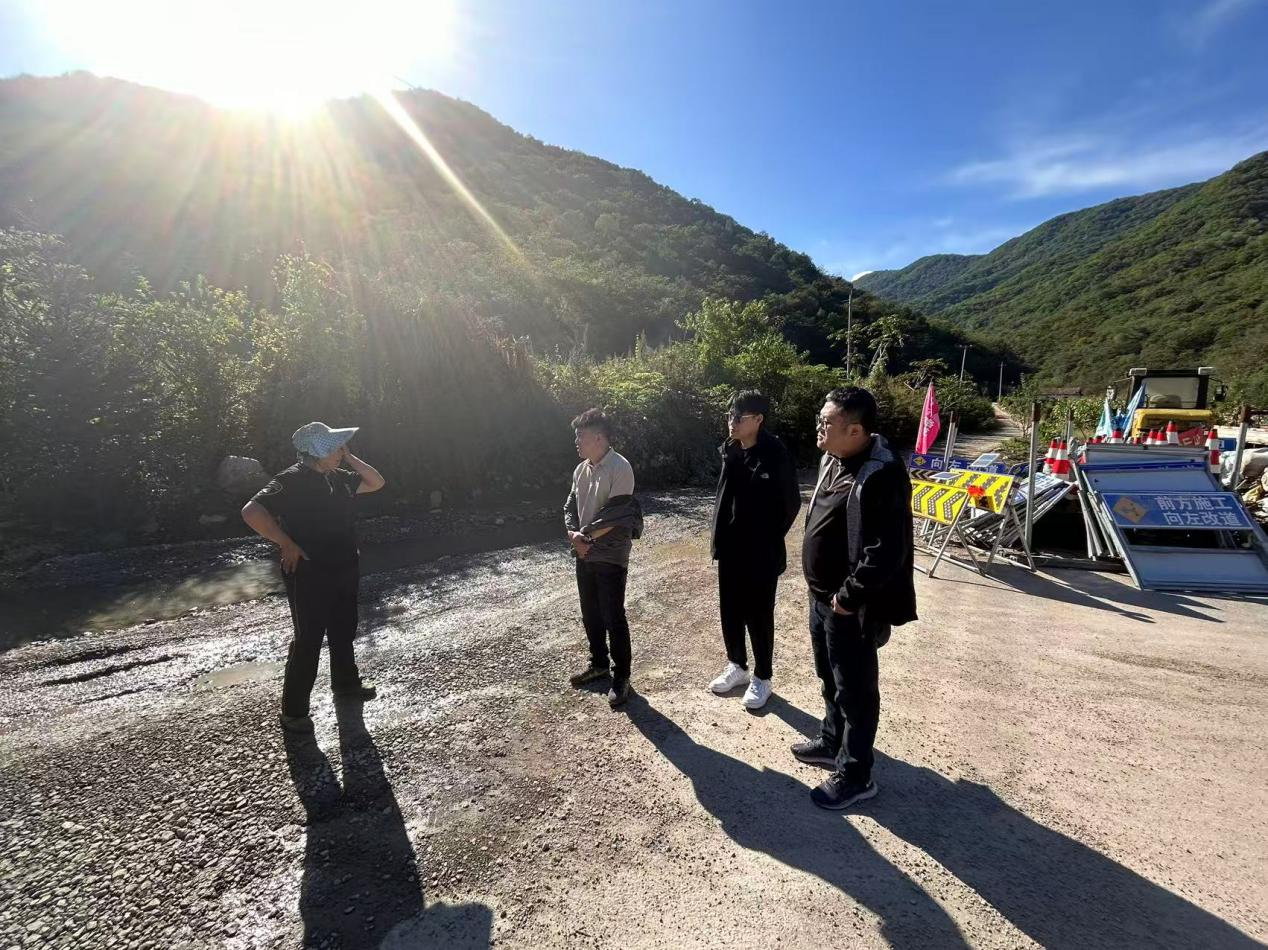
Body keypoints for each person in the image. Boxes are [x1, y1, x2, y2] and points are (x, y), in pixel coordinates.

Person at [793, 387, 916, 809]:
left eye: (827, 422)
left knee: (856, 691)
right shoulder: (833, 457)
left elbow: (886, 551)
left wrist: (848, 598)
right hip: (821, 597)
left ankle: (856, 774)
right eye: (820, 418)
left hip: (851, 606)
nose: (819, 427)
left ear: (857, 430)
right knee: (829, 676)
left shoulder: (883, 473)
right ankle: (832, 742)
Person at [242, 422, 386, 734]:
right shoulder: (290, 480)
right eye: (334, 448)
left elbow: (376, 482)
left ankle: (346, 685)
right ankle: (294, 713)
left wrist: (349, 457)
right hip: (308, 571)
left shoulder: (338, 477)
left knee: (343, 629)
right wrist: (285, 543)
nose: (339, 452)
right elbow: (251, 511)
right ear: (316, 451)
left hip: (344, 565)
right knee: (308, 639)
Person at [708, 391, 801, 710]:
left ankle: (763, 677)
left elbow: (791, 504)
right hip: (730, 547)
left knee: (758, 614)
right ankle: (737, 665)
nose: (731, 422)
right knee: (730, 609)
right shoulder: (731, 449)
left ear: (759, 420)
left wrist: (767, 538)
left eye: (739, 417)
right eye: (729, 416)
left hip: (761, 551)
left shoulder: (775, 453)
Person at [563, 408, 642, 709]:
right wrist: (573, 534)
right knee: (590, 612)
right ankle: (598, 664)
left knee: (613, 615)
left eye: (580, 436)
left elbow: (618, 513)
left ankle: (621, 677)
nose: (576, 442)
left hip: (610, 554)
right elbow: (570, 506)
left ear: (599, 438)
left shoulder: (621, 467)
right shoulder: (580, 469)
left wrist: (584, 539)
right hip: (584, 550)